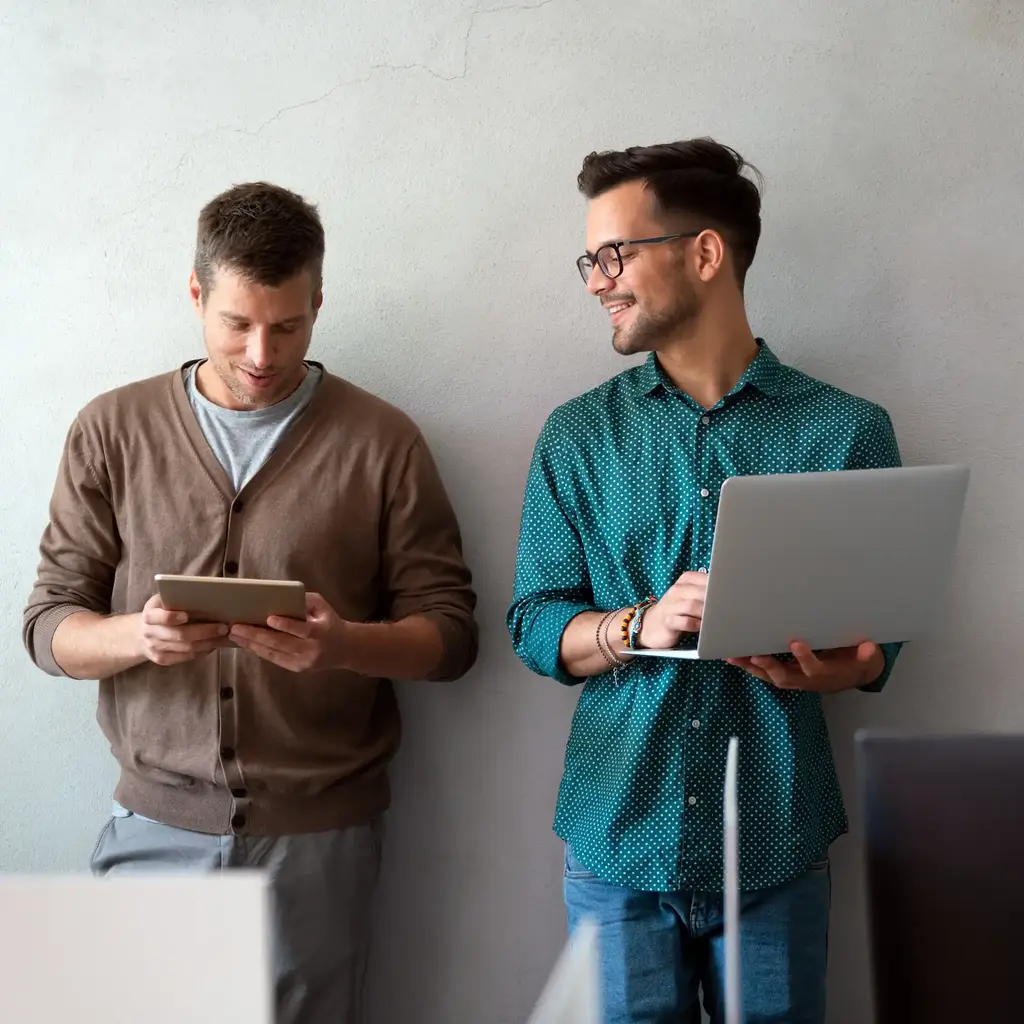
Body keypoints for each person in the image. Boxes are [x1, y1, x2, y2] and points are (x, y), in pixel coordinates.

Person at [23, 182, 478, 1024]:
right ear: (196, 295)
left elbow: (450, 637)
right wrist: (137, 636)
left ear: (318, 302)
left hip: (320, 842)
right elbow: (47, 626)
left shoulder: (383, 441)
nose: (263, 352)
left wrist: (341, 645)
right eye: (237, 323)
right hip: (152, 825)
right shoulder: (110, 429)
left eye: (290, 324)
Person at [507, 139, 902, 1024]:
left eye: (614, 255)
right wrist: (636, 624)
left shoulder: (847, 432)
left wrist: (834, 667)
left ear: (705, 252)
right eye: (590, 260)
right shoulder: (577, 437)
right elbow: (535, 624)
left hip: (778, 841)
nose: (596, 279)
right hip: (617, 839)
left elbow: (882, 644)